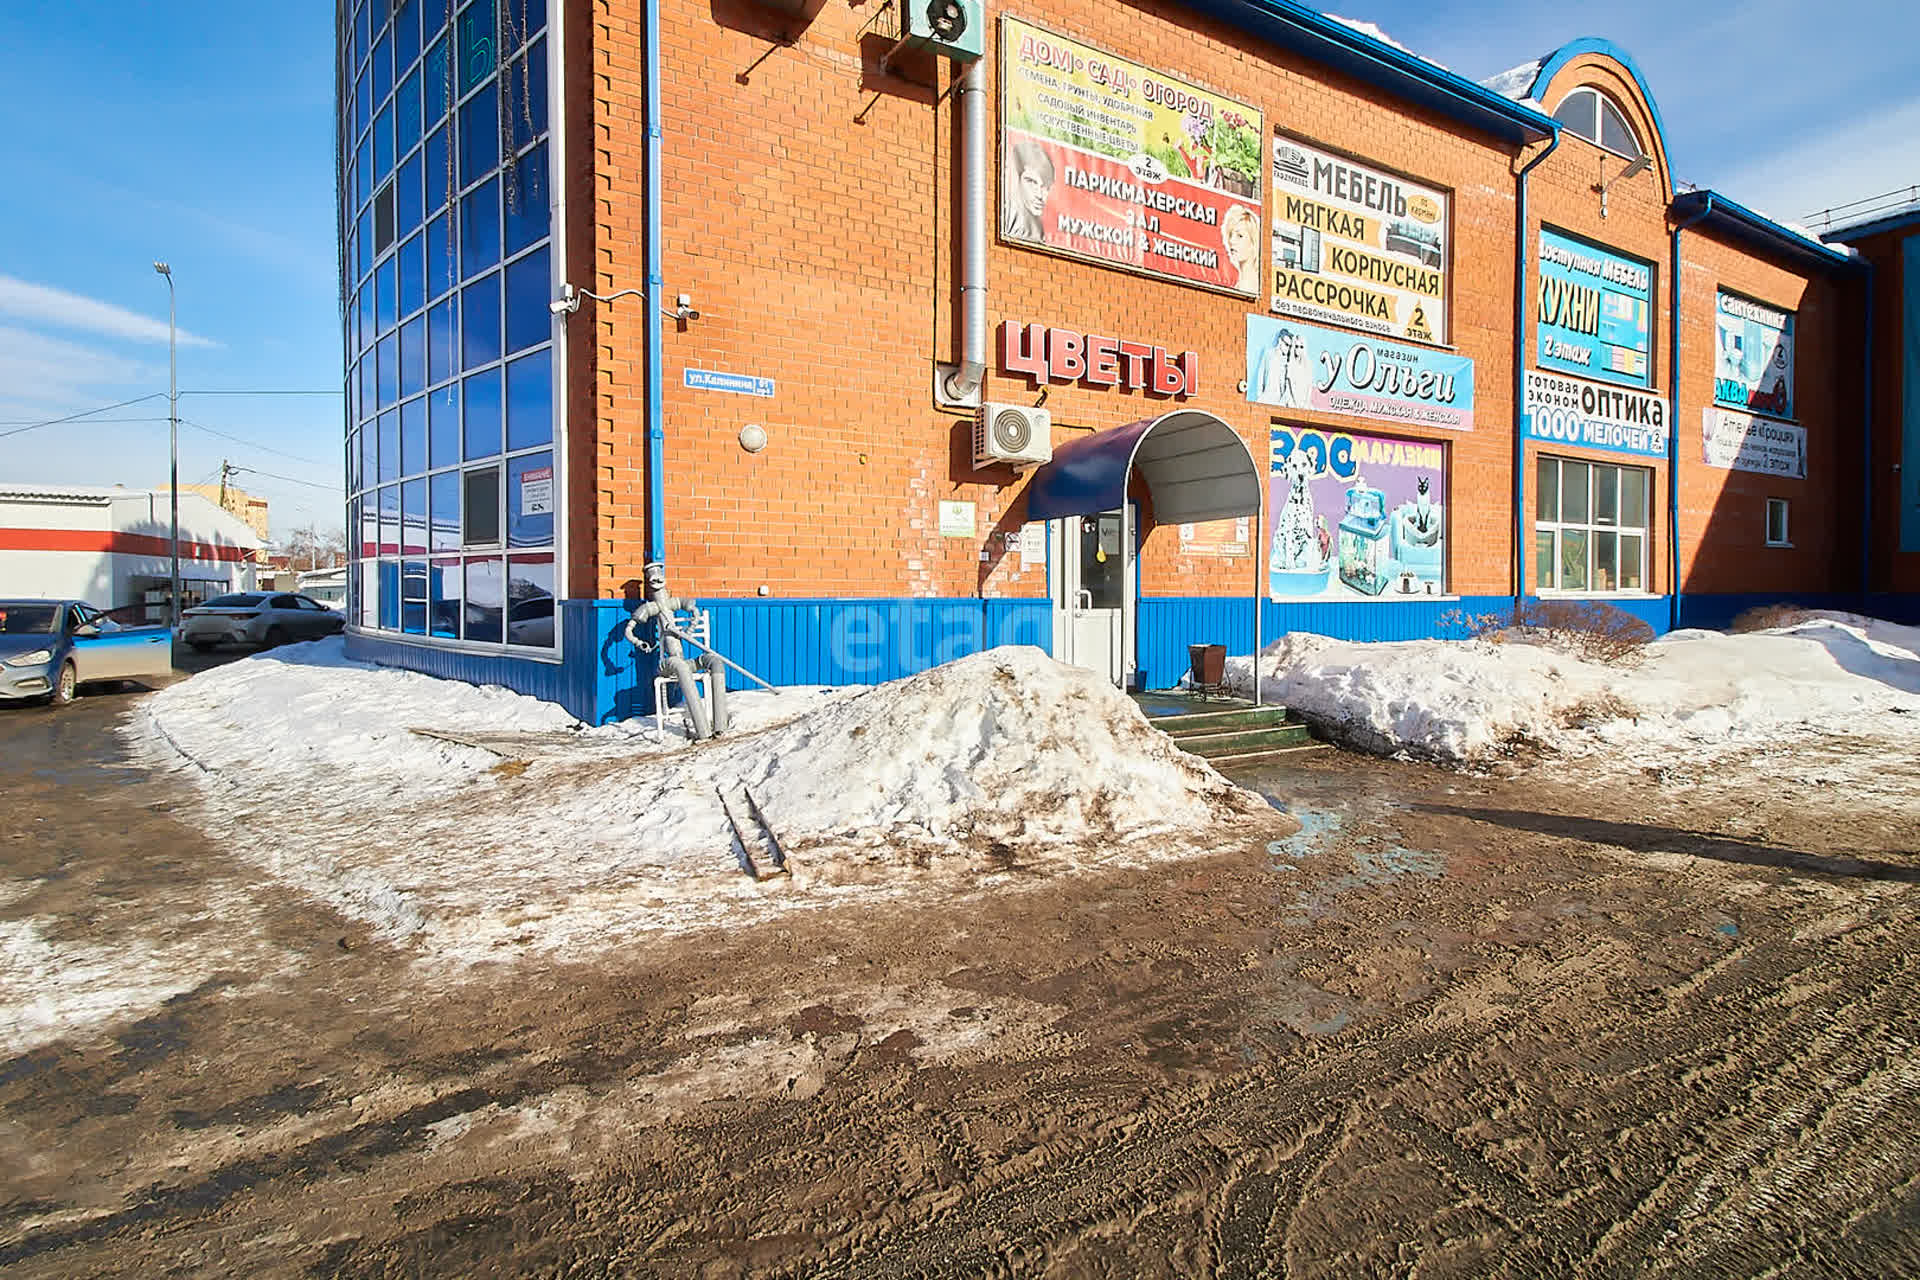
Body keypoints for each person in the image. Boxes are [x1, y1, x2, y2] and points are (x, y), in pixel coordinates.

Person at [1002, 140, 1055, 241]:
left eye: (1045, 187)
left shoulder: (1038, 228)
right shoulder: (1005, 215)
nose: (1040, 195)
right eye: (1032, 182)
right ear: (1017, 179)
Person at [1220, 204, 1260, 294]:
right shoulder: (1239, 285)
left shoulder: (1254, 287)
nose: (1232, 241)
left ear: (1253, 242)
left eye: (1240, 236)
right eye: (1230, 235)